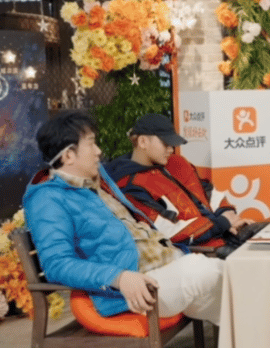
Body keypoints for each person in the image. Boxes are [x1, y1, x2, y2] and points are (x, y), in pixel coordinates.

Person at [23, 111, 222, 324]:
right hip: (138, 289)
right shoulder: (47, 199)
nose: (98, 151)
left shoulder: (96, 183)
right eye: (91, 144)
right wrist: (118, 277)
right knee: (209, 270)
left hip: (169, 266)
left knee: (234, 300)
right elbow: (57, 265)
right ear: (68, 155)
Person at [104, 114, 257, 258]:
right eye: (165, 143)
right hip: (201, 252)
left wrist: (229, 216)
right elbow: (168, 232)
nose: (171, 149)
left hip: (224, 235)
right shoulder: (129, 184)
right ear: (143, 142)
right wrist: (222, 223)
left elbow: (208, 191)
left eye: (172, 144)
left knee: (265, 235)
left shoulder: (177, 163)